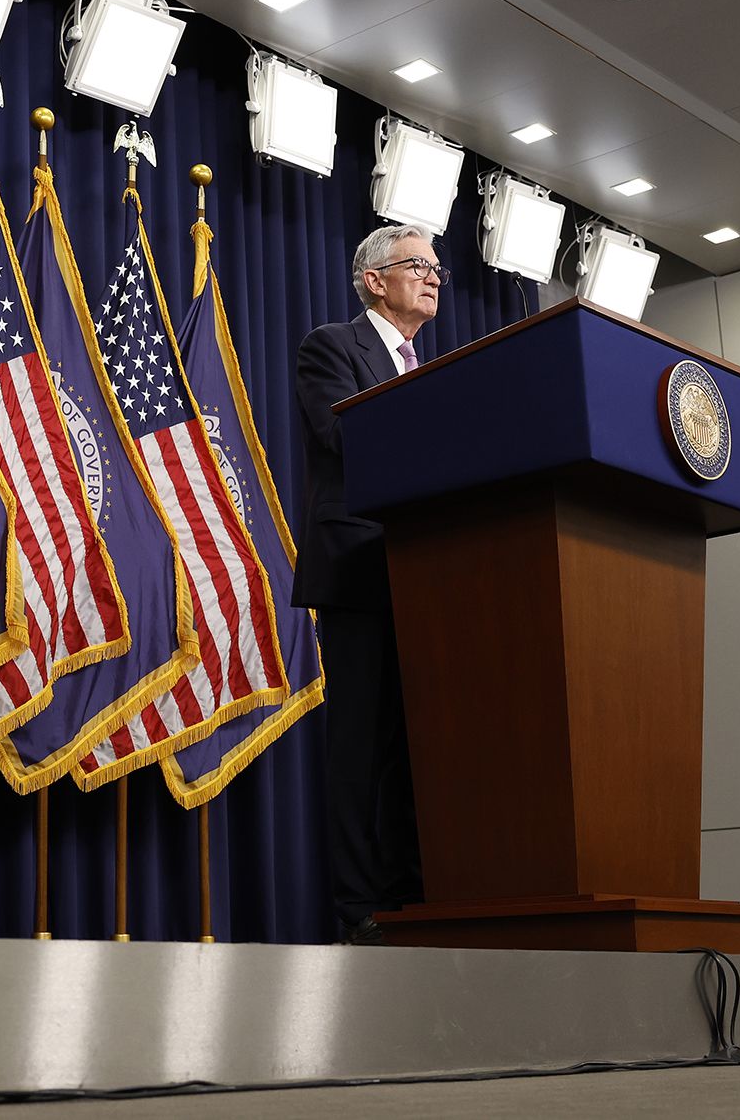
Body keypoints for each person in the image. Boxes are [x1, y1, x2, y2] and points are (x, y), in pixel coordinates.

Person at [291, 224, 449, 945]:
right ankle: (360, 909)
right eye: (419, 264)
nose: (435, 275)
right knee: (360, 748)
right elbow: (340, 437)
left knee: (420, 747)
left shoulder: (438, 366)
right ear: (374, 280)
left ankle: (414, 894)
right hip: (361, 568)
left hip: (429, 574)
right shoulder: (333, 346)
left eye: (438, 267)